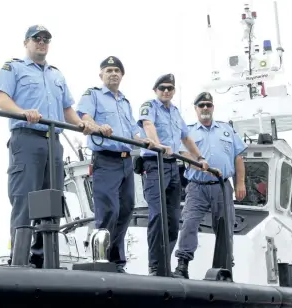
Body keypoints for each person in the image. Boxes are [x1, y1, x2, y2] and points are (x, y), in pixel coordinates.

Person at [0, 24, 97, 268]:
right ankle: (20, 260)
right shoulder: (14, 68)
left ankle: (44, 259)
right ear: (26, 43)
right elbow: (1, 98)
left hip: (54, 142)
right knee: (25, 199)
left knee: (52, 200)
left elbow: (67, 109)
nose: (41, 42)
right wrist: (22, 112)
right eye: (36, 38)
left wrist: (81, 124)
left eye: (46, 39)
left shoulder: (57, 75)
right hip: (26, 138)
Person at [76, 56, 156, 273]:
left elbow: (133, 129)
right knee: (108, 210)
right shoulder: (92, 94)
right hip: (106, 160)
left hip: (126, 162)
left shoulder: (124, 102)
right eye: (109, 70)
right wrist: (96, 126)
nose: (113, 73)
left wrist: (143, 138)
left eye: (117, 70)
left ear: (122, 75)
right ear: (101, 74)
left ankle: (117, 261)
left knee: (126, 209)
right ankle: (100, 260)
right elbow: (84, 117)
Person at [137, 73, 209, 276]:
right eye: (162, 88)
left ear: (174, 91)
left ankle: (164, 266)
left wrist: (200, 157)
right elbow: (148, 125)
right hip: (154, 164)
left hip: (172, 166)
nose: (166, 91)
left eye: (170, 88)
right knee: (158, 215)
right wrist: (159, 145)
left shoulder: (176, 113)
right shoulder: (149, 106)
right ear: (155, 90)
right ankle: (154, 265)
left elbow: (185, 137)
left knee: (173, 219)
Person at [173, 91, 247, 279]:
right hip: (197, 186)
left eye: (208, 104)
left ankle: (225, 268)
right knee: (189, 223)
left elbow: (238, 157)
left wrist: (240, 183)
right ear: (196, 109)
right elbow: (185, 154)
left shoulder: (227, 130)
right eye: (201, 105)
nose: (205, 108)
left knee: (225, 227)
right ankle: (182, 265)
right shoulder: (188, 131)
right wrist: (200, 164)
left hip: (222, 187)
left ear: (213, 107)